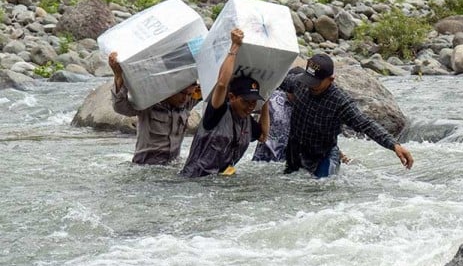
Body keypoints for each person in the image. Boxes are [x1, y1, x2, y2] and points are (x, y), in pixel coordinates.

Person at [279, 53, 413, 177]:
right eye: (309, 79)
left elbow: (365, 123)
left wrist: (394, 145)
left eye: (315, 82)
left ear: (331, 79)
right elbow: (276, 81)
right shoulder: (300, 82)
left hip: (322, 156)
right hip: (295, 152)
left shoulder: (339, 101)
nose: (310, 85)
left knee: (321, 191)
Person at [179, 28, 270, 178]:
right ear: (232, 97)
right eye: (246, 101)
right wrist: (234, 47)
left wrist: (266, 101)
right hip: (194, 180)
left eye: (254, 103)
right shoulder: (217, 112)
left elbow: (263, 136)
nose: (250, 107)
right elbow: (221, 85)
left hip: (221, 182)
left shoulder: (246, 121)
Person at [109, 52, 201, 165]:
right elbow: (120, 107)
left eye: (189, 94)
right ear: (171, 88)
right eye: (182, 93)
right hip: (146, 164)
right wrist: (118, 76)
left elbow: (215, 87)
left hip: (172, 164)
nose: (185, 98)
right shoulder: (149, 103)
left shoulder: (186, 103)